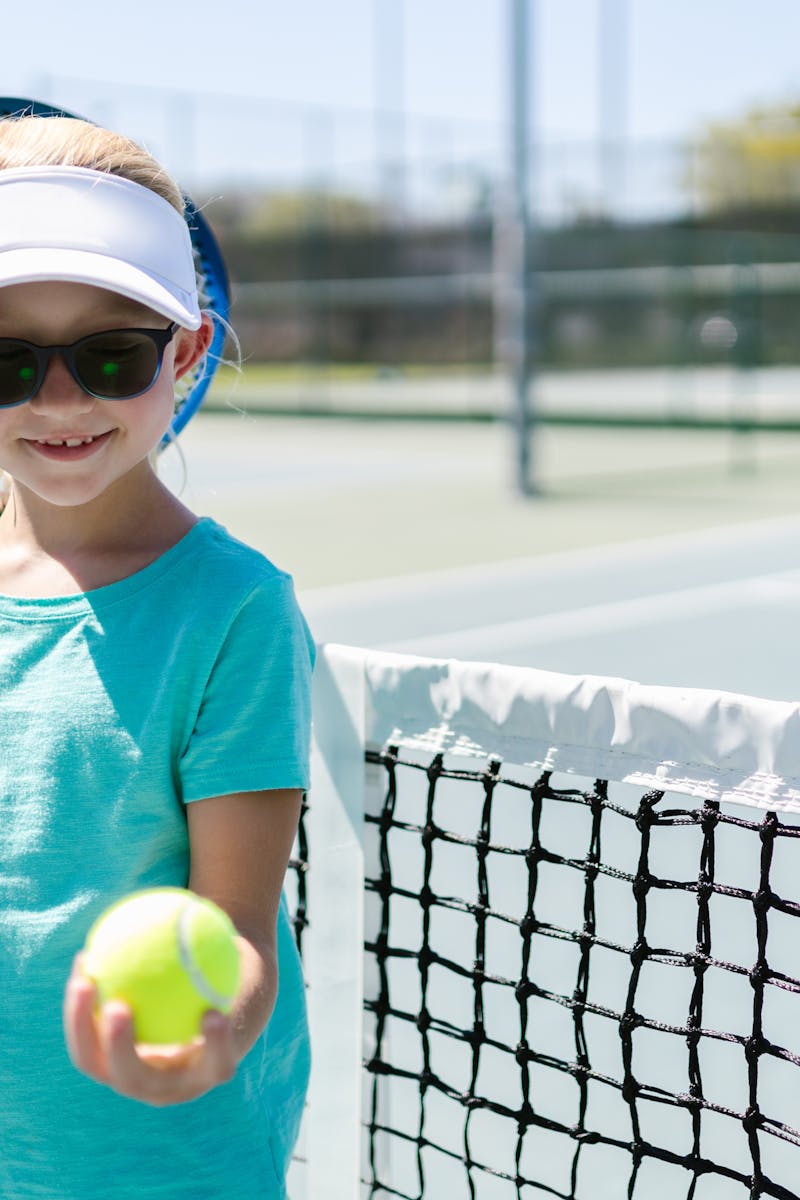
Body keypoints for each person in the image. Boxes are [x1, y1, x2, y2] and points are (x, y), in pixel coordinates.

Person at [0, 115, 314, 1198]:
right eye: (9, 358)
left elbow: (235, 928)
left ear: (185, 352)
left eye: (109, 354)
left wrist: (212, 1043)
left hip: (159, 1168)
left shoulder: (236, 612)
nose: (58, 400)